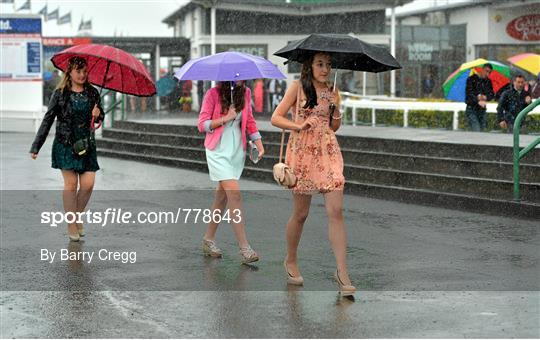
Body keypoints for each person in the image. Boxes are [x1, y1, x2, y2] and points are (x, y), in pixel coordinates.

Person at [270, 52, 355, 297]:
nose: (325, 69)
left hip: (328, 152)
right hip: (303, 153)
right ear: (310, 65)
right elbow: (276, 118)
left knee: (336, 211)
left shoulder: (333, 90)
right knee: (301, 214)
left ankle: (342, 272)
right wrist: (298, 125)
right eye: (320, 64)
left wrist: (335, 109)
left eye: (329, 65)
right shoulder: (297, 87)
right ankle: (291, 260)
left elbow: (334, 126)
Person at [29, 56, 104, 242]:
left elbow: (98, 119)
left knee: (88, 185)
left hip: (86, 144)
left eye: (85, 71)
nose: (82, 75)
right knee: (71, 185)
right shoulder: (60, 93)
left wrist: (99, 114)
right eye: (78, 71)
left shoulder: (93, 93)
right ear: (69, 72)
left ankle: (76, 215)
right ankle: (72, 223)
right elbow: (48, 119)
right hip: (65, 143)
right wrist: (36, 145)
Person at [197, 80, 265, 264]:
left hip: (236, 149)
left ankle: (208, 239)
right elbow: (202, 124)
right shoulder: (213, 94)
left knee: (222, 197)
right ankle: (244, 248)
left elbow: (249, 120)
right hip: (217, 149)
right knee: (234, 194)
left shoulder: (246, 93)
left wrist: (258, 142)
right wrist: (225, 118)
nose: (241, 78)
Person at [465, 63, 495, 132]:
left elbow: (491, 94)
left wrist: (486, 97)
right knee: (476, 129)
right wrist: (477, 99)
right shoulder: (471, 79)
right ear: (482, 69)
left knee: (483, 130)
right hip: (471, 109)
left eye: (489, 72)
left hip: (482, 109)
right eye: (486, 71)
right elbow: (469, 95)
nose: (487, 74)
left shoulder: (488, 81)